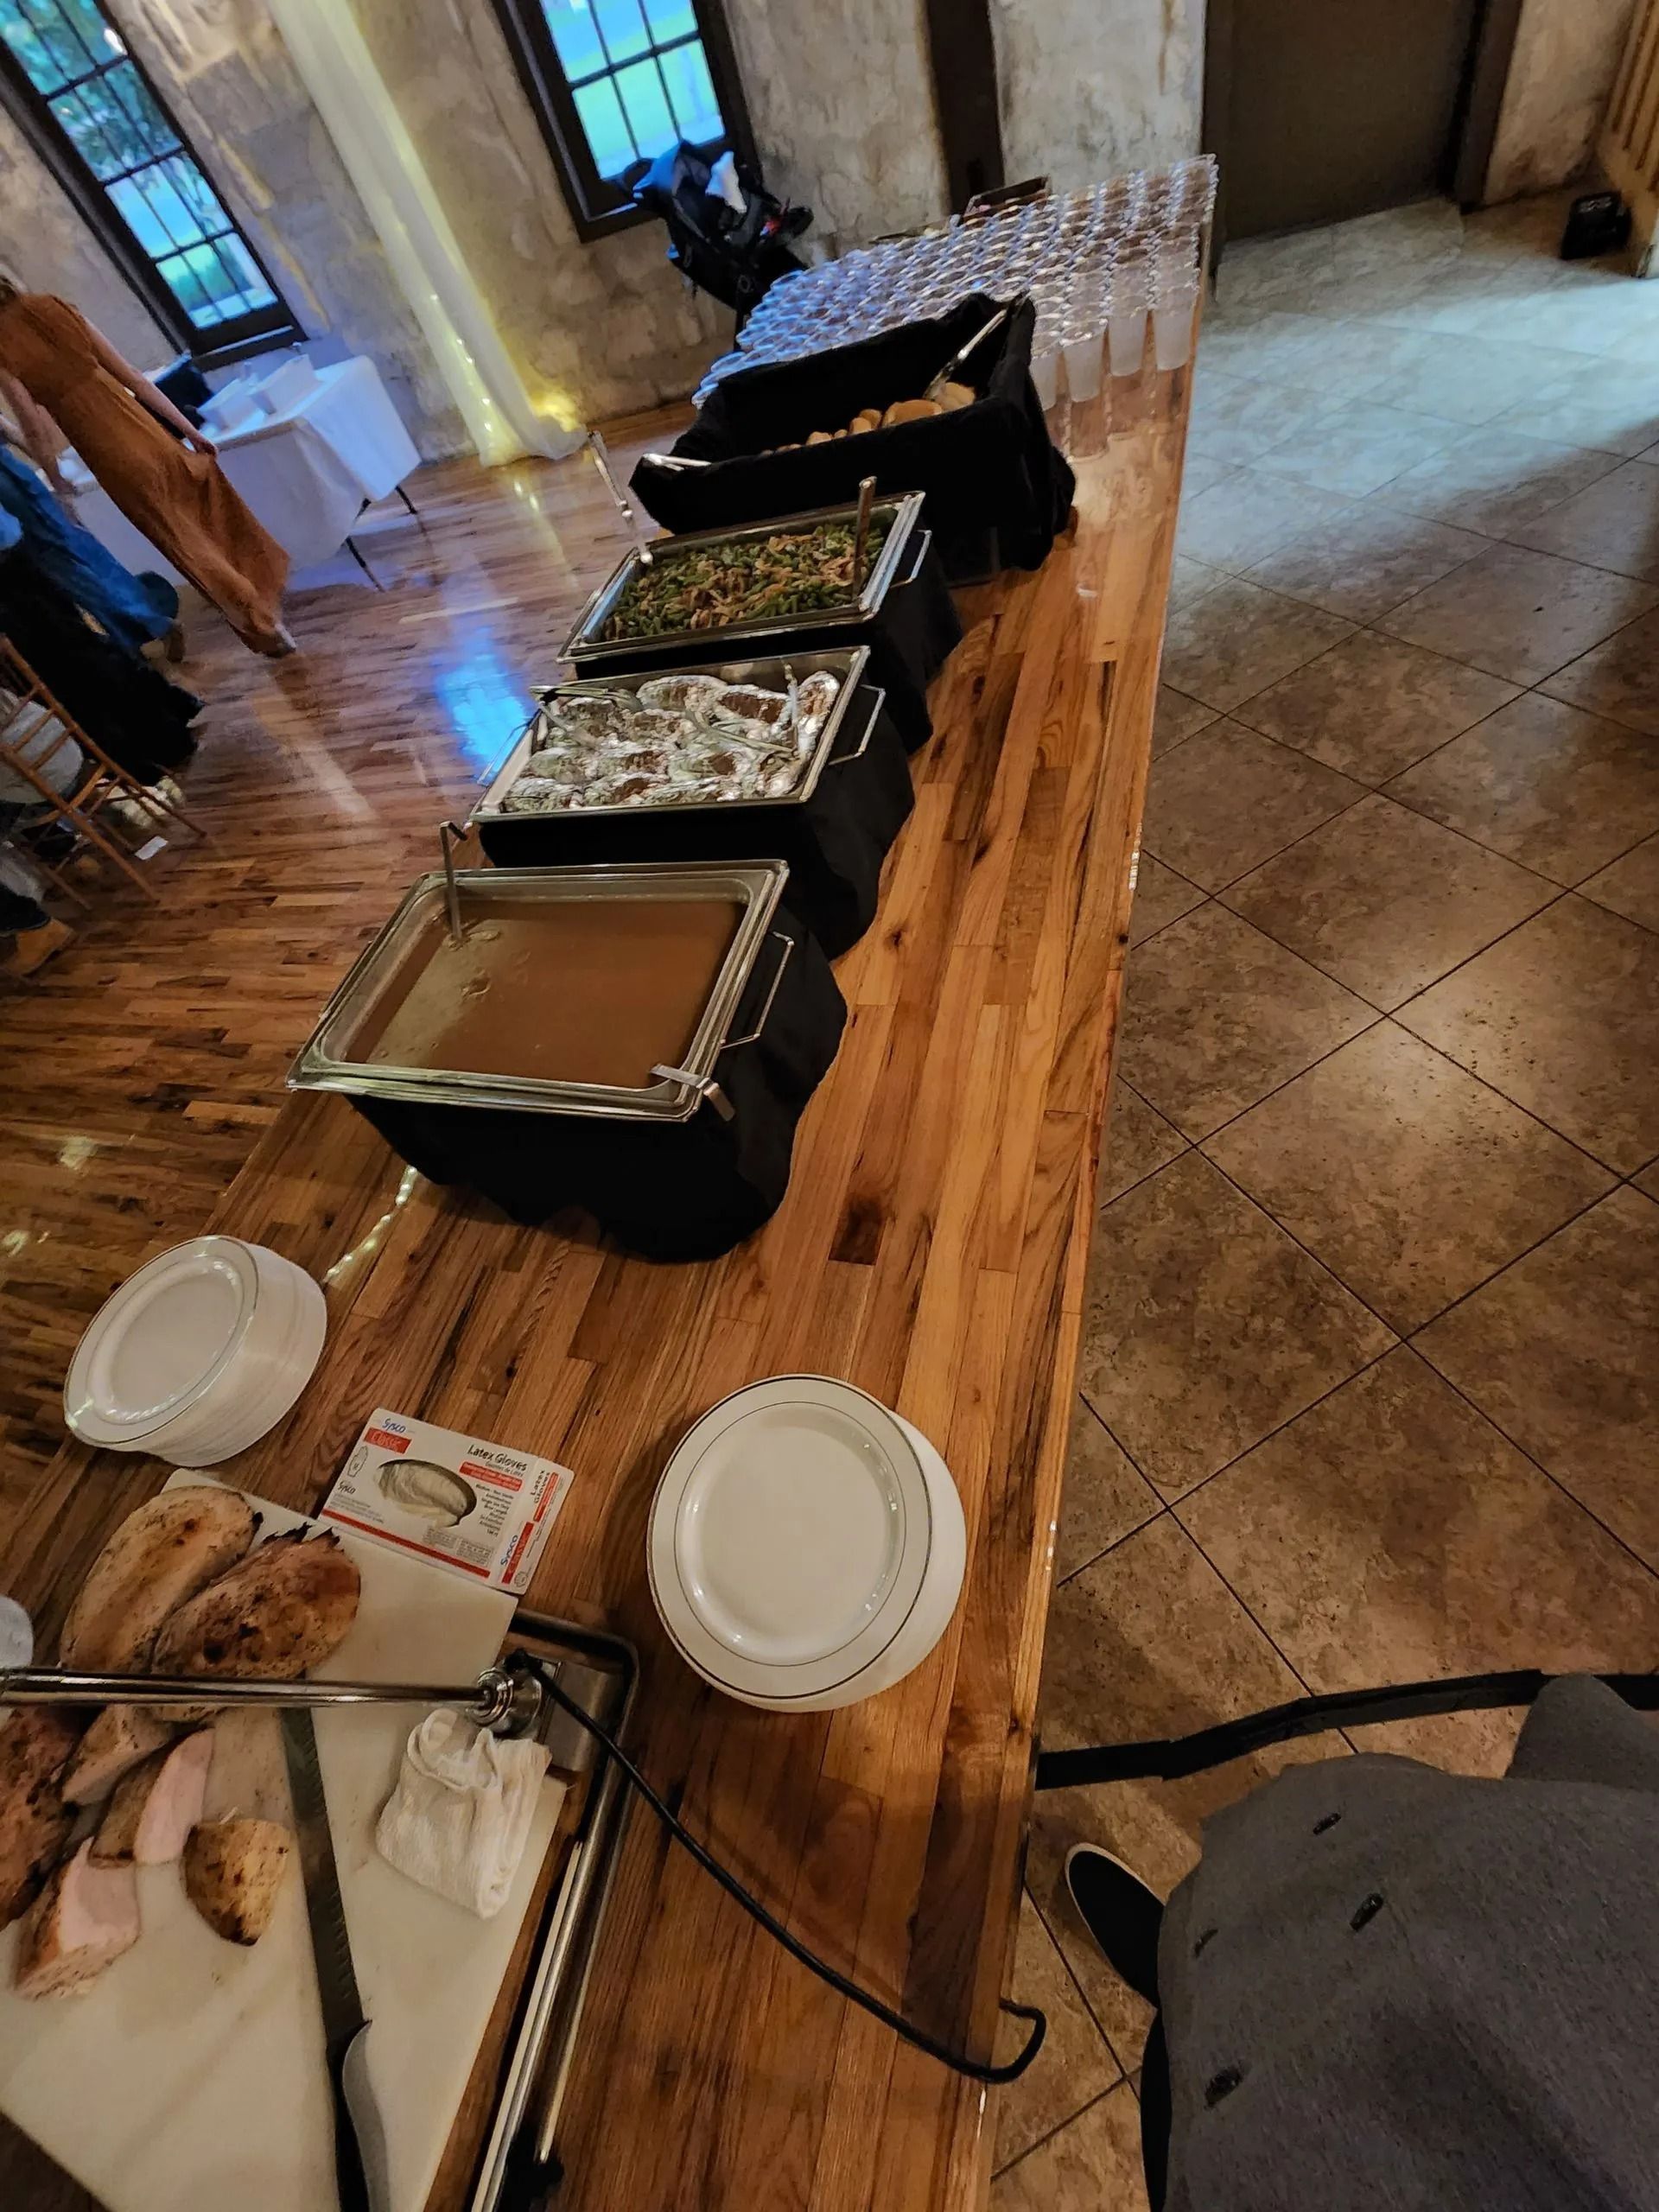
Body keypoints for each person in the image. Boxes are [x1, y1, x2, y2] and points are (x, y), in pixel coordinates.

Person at [1064, 1676, 1659, 2210]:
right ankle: (1187, 1960)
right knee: (1257, 1921)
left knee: (1193, 2106)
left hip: (1274, 2169)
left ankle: (1183, 1996)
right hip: (1406, 1887)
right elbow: (1581, 1726)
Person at [0, 277, 293, 657]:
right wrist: (188, 430)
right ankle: (263, 599)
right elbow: (134, 378)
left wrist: (55, 475)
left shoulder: (3, 347)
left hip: (110, 454)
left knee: (181, 539)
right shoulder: (56, 305)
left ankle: (261, 620)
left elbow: (35, 427)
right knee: (209, 516)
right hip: (148, 432)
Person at [0, 503, 197, 786]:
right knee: (81, 656)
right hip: (14, 550)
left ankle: (148, 756)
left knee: (67, 673)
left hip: (10, 567)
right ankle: (163, 739)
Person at [0, 433, 181, 662]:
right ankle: (136, 631)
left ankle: (147, 624)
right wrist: (50, 472)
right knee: (81, 550)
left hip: (8, 492)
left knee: (61, 567)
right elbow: (10, 431)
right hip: (16, 473)